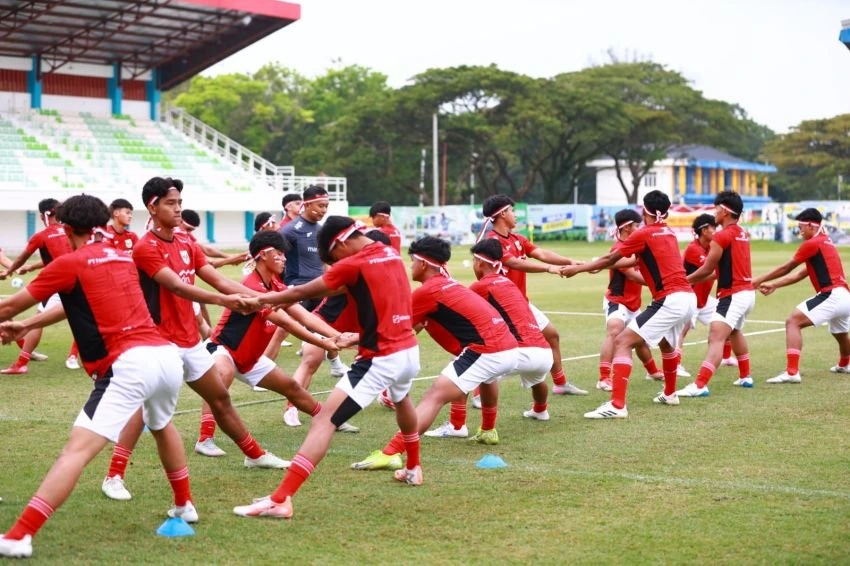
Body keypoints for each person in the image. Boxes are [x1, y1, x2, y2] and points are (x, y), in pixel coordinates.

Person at [0, 194, 194, 559]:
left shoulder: (68, 263)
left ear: (63, 227)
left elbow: (9, 305)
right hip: (166, 357)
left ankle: (18, 535)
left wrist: (17, 317)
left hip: (129, 364)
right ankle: (184, 504)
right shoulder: (123, 255)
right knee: (162, 424)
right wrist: (25, 324)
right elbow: (69, 306)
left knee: (76, 451)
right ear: (102, 222)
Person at [100, 177, 288, 503]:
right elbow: (176, 286)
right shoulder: (146, 248)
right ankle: (114, 475)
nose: (177, 209)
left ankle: (254, 454)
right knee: (146, 408)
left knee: (220, 398)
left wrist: (256, 298)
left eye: (180, 203)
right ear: (152, 206)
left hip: (190, 341)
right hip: (159, 343)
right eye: (171, 203)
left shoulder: (186, 242)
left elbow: (215, 278)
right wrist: (225, 301)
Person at [232, 216, 421, 519]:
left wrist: (262, 301)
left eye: (334, 259)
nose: (334, 266)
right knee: (402, 400)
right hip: (409, 352)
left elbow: (302, 292)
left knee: (324, 421)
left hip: (381, 359)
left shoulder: (352, 264)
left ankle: (281, 500)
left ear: (342, 244)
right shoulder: (390, 253)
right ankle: (413, 467)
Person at [351, 236, 517, 475]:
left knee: (434, 396)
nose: (410, 267)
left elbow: (392, 324)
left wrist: (353, 338)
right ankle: (488, 430)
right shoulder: (449, 283)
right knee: (487, 377)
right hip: (507, 347)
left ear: (423, 264)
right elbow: (413, 326)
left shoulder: (428, 291)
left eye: (412, 262)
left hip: (488, 350)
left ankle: (391, 452)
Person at [200, 230, 360, 449]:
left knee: (292, 387)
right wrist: (325, 343)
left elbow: (303, 315)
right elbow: (286, 322)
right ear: (264, 255)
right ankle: (205, 438)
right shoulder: (252, 287)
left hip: (251, 357)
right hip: (223, 349)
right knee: (222, 377)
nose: (285, 259)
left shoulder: (276, 286)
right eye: (280, 253)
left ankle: (330, 419)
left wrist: (335, 336)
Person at [560, 190, 696, 418]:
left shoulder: (644, 234)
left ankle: (617, 406)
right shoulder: (668, 232)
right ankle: (670, 393)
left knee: (622, 341)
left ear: (645, 211)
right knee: (666, 345)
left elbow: (611, 259)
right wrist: (592, 265)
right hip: (687, 298)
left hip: (670, 299)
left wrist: (577, 269)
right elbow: (631, 260)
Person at [424, 238, 550, 439]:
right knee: (537, 379)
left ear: (479, 263)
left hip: (518, 351)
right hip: (544, 353)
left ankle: (459, 426)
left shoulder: (480, 286)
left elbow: (460, 300)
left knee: (469, 364)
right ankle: (540, 410)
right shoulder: (509, 282)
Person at [480, 195, 587, 397]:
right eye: (512, 210)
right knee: (496, 351)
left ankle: (560, 383)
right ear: (502, 213)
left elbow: (542, 253)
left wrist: (571, 261)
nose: (515, 214)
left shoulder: (517, 239)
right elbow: (515, 263)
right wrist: (549, 269)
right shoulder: (491, 242)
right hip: (501, 307)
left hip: (521, 303)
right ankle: (479, 392)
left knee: (552, 335)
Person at [753, 208, 850, 383]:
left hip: (832, 294)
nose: (800, 231)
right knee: (840, 333)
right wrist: (774, 284)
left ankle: (792, 373)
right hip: (845, 297)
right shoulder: (825, 241)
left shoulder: (811, 244)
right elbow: (799, 274)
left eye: (801, 227)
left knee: (793, 322)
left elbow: (787, 268)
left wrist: (758, 280)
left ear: (812, 226)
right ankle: (845, 364)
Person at [677, 192, 755, 397]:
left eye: (717, 208)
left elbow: (706, 269)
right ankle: (746, 376)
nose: (715, 213)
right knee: (735, 332)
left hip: (733, 294)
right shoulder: (743, 233)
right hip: (747, 293)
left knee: (715, 337)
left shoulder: (721, 236)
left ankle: (700, 385)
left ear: (726, 211)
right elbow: (714, 271)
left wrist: (681, 282)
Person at [271, 185, 348, 377]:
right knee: (283, 330)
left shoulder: (322, 231)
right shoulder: (290, 230)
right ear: (307, 204)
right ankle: (261, 370)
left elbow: (324, 262)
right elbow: (275, 258)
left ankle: (336, 365)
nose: (323, 210)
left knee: (325, 327)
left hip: (319, 288)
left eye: (326, 206)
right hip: (298, 287)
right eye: (320, 205)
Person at [0, 198, 75, 374]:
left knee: (33, 319)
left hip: (58, 283)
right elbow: (59, 256)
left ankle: (21, 362)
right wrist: (31, 267)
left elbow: (21, 258)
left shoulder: (41, 236)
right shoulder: (70, 232)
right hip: (78, 280)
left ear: (42, 216)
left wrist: (9, 271)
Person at [595, 209, 663, 392]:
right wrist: (657, 282)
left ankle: (653, 371)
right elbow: (632, 275)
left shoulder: (636, 246)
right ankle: (603, 378)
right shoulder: (618, 249)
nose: (639, 228)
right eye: (636, 225)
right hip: (617, 300)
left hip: (634, 303)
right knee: (614, 331)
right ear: (626, 227)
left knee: (640, 339)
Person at [676, 214, 737, 378]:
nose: (716, 230)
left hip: (703, 300)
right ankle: (676, 365)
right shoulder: (693, 249)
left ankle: (725, 357)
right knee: (683, 329)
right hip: (688, 298)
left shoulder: (713, 246)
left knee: (728, 321)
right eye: (713, 227)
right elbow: (709, 271)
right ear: (703, 230)